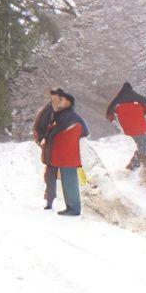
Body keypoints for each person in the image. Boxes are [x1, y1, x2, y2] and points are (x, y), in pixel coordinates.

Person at [41, 89, 87, 217]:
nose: (59, 103)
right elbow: (84, 132)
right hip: (68, 156)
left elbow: (52, 134)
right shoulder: (70, 116)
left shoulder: (67, 117)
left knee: (69, 182)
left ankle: (73, 209)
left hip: (67, 156)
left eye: (63, 100)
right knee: (68, 182)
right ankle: (71, 207)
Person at [106, 81, 146, 171]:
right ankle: (137, 165)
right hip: (140, 125)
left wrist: (113, 120)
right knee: (142, 141)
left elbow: (109, 113)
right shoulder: (138, 98)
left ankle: (139, 163)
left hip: (127, 127)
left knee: (141, 142)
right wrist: (141, 112)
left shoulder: (117, 99)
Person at [33, 94, 61, 209]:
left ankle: (50, 196)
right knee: (52, 168)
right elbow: (40, 127)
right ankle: (50, 197)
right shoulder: (50, 111)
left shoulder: (52, 109)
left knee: (51, 169)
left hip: (51, 141)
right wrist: (43, 139)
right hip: (50, 142)